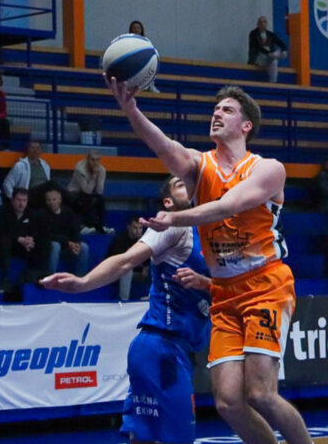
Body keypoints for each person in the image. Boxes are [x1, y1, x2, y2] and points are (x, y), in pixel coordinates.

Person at [105, 77, 312, 444]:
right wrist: (130, 109)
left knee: (260, 393)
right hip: (225, 292)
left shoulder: (268, 168)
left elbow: (229, 205)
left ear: (246, 126)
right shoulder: (200, 166)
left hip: (266, 285)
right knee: (228, 401)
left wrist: (176, 217)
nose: (217, 114)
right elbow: (163, 146)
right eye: (215, 109)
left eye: (227, 110)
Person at [41, 175, 211, 444]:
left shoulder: (211, 232)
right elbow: (125, 261)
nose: (187, 183)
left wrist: (207, 284)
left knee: (142, 440)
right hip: (161, 349)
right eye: (179, 184)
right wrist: (84, 283)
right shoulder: (172, 225)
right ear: (168, 202)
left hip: (172, 349)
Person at [0, 188, 48, 292]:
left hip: (22, 246)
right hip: (0, 245)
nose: (21, 203)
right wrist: (18, 239)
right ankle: (4, 278)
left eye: (24, 200)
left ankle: (40, 276)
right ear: (12, 200)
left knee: (45, 243)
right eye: (18, 200)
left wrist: (30, 239)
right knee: (4, 241)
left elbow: (36, 230)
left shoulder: (30, 213)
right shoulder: (2, 211)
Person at [40, 188, 89, 277]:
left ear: (60, 199)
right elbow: (47, 235)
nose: (51, 203)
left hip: (67, 247)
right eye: (48, 200)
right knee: (55, 246)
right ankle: (50, 277)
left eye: (54, 199)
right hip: (49, 248)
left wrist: (76, 243)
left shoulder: (68, 212)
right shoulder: (42, 215)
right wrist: (67, 242)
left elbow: (75, 230)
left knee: (84, 247)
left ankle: (80, 278)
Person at [67, 150, 112, 235]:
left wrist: (99, 175)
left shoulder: (102, 170)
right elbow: (86, 190)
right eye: (92, 160)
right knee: (86, 199)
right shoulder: (79, 169)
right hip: (73, 193)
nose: (95, 162)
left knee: (100, 199)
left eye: (97, 160)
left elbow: (99, 191)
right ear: (87, 159)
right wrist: (94, 175)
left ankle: (101, 226)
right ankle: (84, 227)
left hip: (89, 194)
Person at [2, 140, 55, 209]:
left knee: (55, 190)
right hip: (29, 195)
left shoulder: (46, 166)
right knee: (51, 184)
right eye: (32, 148)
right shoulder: (20, 165)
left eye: (37, 148)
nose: (35, 150)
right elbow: (7, 184)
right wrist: (14, 198)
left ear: (41, 150)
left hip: (45, 196)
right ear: (27, 150)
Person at [107, 216, 146, 301]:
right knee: (127, 270)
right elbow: (120, 261)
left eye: (140, 228)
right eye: (135, 228)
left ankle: (150, 298)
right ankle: (124, 300)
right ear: (129, 227)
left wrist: (145, 267)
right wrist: (137, 246)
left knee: (154, 268)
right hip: (116, 270)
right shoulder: (119, 239)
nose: (138, 231)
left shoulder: (144, 240)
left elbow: (147, 260)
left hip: (136, 271)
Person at [248, 16, 288, 83]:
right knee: (273, 58)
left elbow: (280, 42)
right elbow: (257, 47)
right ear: (257, 24)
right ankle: (275, 56)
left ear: (267, 24)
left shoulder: (271, 34)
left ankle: (273, 82)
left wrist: (284, 50)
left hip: (269, 57)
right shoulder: (253, 34)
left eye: (264, 22)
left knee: (275, 59)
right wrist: (268, 53)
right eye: (260, 22)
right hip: (258, 58)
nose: (262, 24)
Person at [128, 20, 160, 93]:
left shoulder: (146, 42)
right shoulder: (127, 41)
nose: (136, 30)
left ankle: (149, 86)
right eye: (134, 28)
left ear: (141, 30)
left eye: (138, 28)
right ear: (131, 30)